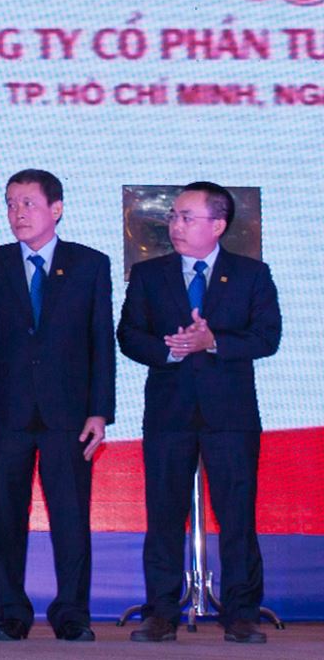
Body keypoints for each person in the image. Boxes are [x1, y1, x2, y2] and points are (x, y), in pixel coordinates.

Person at [117, 181, 281, 645]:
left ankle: (241, 614)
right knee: (164, 516)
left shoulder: (251, 274)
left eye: (187, 217)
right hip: (168, 412)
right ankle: (161, 613)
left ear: (218, 224)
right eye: (173, 216)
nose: (176, 224)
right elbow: (129, 335)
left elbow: (267, 337)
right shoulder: (150, 275)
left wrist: (214, 342)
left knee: (237, 516)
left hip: (230, 415)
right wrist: (170, 350)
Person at [0, 169, 113, 642]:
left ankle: (72, 614)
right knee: (5, 519)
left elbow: (100, 342)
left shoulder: (90, 264)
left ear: (57, 209)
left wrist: (99, 411)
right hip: (4, 412)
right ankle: (9, 612)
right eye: (10, 203)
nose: (17, 213)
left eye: (27, 203)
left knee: (71, 519)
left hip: (68, 415)